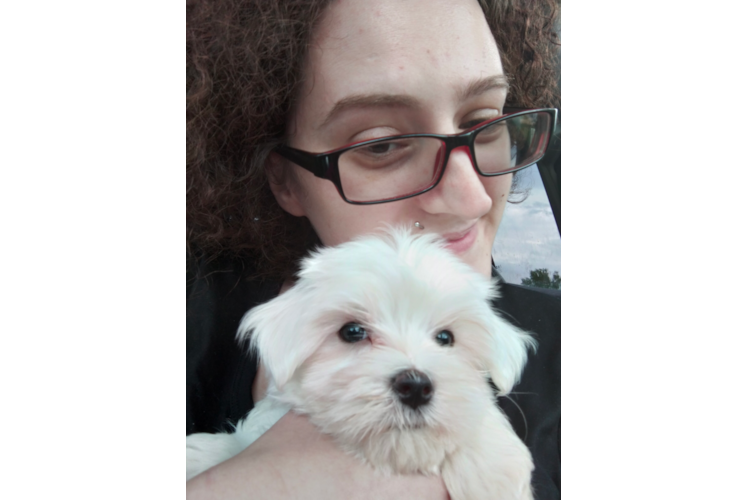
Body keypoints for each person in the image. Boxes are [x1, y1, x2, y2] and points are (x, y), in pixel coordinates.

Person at [186, 0, 560, 498]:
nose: (471, 197)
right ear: (285, 182)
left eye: (486, 122)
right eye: (380, 144)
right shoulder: (200, 322)